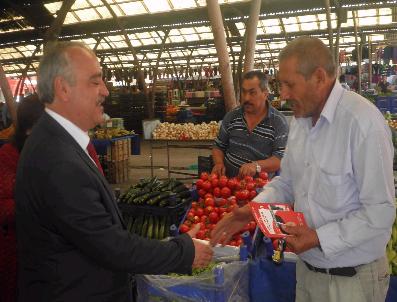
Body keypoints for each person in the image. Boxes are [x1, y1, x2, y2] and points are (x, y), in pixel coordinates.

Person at [15, 42, 213, 302]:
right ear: (63, 88)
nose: (105, 91)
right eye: (95, 82)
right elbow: (110, 246)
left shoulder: (58, 141)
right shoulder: (57, 160)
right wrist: (184, 253)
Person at [211, 36, 395, 302]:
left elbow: (380, 211)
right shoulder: (301, 120)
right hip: (308, 271)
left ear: (319, 77)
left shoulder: (362, 123)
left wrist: (318, 237)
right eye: (280, 84)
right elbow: (288, 181)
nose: (282, 94)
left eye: (289, 84)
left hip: (350, 281)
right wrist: (253, 209)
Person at [0, 94, 44, 302]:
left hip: (48, 251)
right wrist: (35, 205)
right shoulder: (8, 156)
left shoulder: (56, 153)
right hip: (16, 251)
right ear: (28, 128)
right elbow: (3, 208)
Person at [211, 70, 289, 178]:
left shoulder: (278, 122)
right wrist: (219, 163)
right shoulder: (232, 116)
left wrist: (256, 166)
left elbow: (280, 158)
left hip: (259, 187)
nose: (246, 98)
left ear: (265, 94)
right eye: (244, 92)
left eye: (252, 93)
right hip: (227, 184)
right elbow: (218, 145)